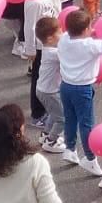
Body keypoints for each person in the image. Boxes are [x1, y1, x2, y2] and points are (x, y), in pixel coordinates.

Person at [58, 9, 102, 174]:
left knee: (70, 118)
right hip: (82, 89)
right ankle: (90, 158)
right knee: (86, 124)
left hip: (65, 86)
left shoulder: (64, 39)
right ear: (86, 30)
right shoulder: (90, 45)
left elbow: (80, 38)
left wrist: (89, 31)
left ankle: (70, 149)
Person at [32, 17, 66, 153]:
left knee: (53, 113)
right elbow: (69, 55)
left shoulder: (48, 50)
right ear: (50, 39)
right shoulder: (54, 53)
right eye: (60, 32)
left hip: (44, 90)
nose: (63, 34)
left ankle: (45, 134)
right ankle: (51, 141)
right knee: (62, 118)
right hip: (49, 92)